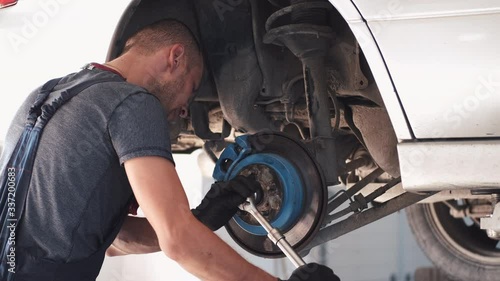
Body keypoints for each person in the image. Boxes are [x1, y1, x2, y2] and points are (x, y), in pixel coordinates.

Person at [0, 19, 340, 281]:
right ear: (175, 57)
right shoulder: (133, 103)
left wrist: (199, 219)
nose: (183, 111)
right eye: (191, 91)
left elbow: (117, 240)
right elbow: (179, 243)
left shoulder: (44, 96)